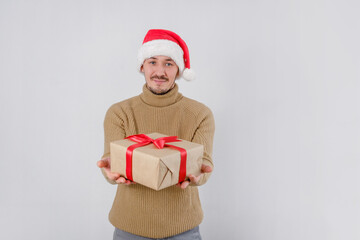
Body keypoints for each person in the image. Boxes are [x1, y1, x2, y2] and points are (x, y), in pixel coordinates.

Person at [97, 29, 215, 240]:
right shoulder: (119, 113)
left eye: (168, 63)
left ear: (179, 69)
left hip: (183, 229)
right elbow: (112, 159)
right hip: (130, 227)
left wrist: (201, 174)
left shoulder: (200, 114)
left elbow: (203, 163)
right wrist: (110, 169)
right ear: (142, 66)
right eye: (153, 62)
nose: (159, 71)